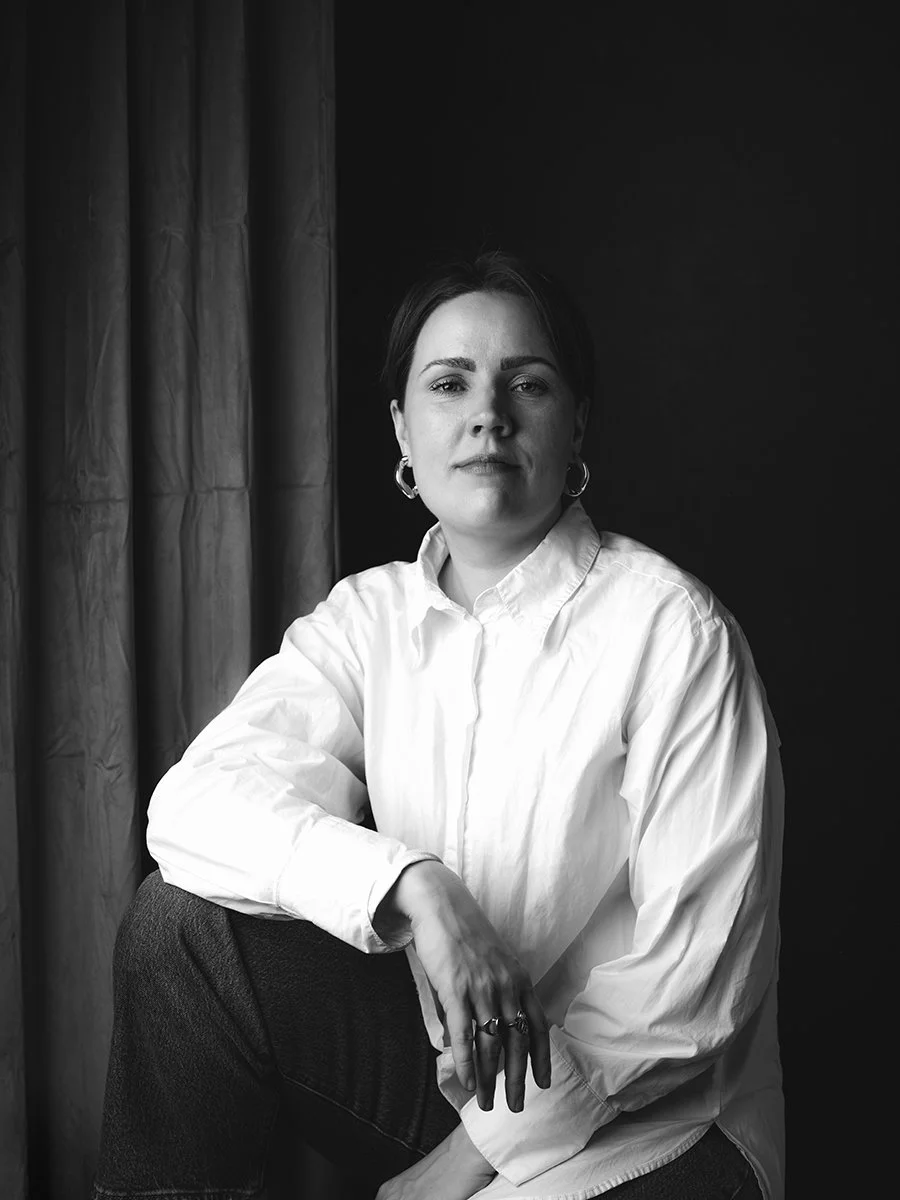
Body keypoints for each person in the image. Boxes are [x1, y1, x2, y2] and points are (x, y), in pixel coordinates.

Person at [92, 252, 784, 1200]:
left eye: (527, 384)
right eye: (450, 383)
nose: (487, 413)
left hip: (658, 1122)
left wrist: (454, 1169)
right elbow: (193, 807)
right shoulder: (366, 620)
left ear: (576, 422)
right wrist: (415, 887)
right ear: (403, 434)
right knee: (181, 936)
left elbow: (690, 999)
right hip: (458, 1075)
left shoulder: (675, 633)